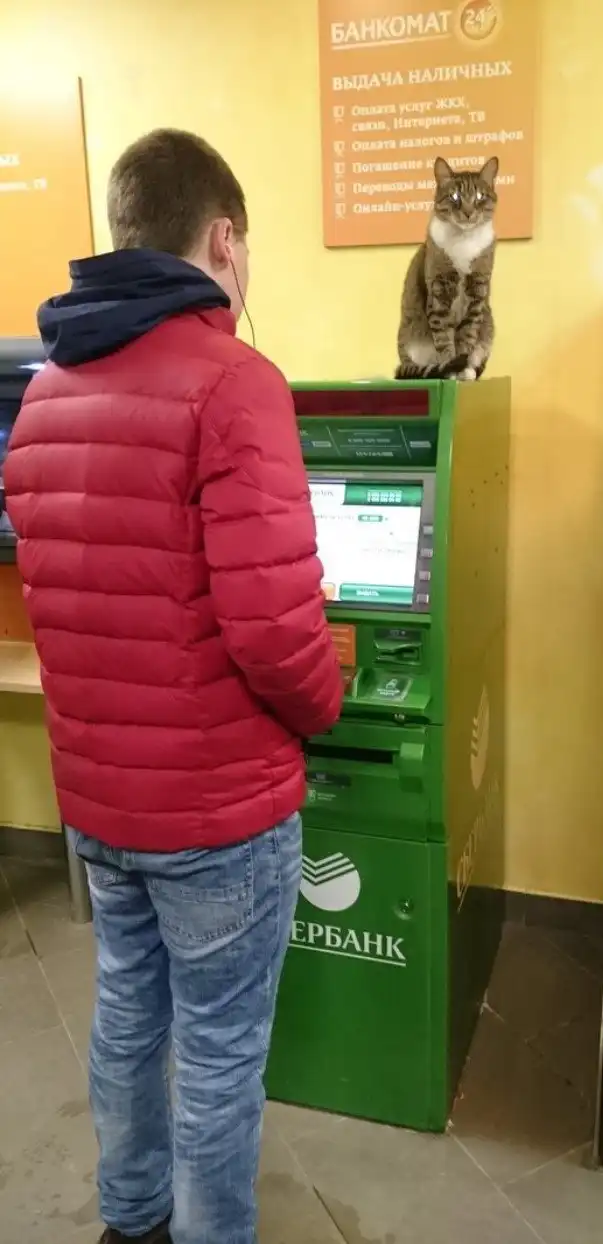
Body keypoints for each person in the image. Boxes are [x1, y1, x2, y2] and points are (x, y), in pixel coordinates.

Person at [4, 129, 343, 1244]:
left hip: (101, 804)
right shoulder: (237, 384)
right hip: (217, 812)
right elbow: (275, 634)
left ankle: (132, 1218)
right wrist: (327, 706)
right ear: (225, 238)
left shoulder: (46, 393)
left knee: (125, 1013)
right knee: (219, 1054)